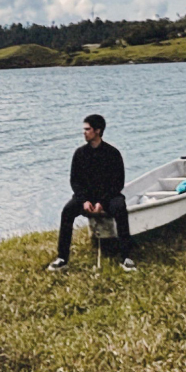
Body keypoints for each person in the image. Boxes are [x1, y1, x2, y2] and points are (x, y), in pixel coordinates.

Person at [48, 114, 136, 272]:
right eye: (84, 129)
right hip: (86, 198)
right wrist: (84, 201)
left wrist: (101, 203)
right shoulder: (79, 154)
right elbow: (75, 181)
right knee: (67, 212)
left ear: (98, 131)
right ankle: (62, 258)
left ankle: (126, 258)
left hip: (108, 197)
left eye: (87, 129)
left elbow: (117, 183)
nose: (84, 132)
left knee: (120, 208)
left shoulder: (113, 153)